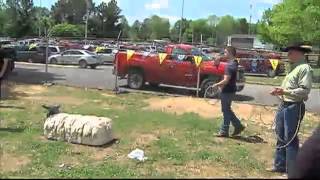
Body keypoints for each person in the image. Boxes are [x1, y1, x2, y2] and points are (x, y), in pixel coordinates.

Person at [268, 43, 313, 175]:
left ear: (299, 53)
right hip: (284, 105)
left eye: (290, 52)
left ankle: (292, 171)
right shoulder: (293, 68)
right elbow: (289, 89)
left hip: (294, 106)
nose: (288, 55)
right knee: (280, 135)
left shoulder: (305, 68)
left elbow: (304, 91)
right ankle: (279, 165)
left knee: (290, 139)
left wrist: (284, 92)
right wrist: (280, 92)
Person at [213, 46, 245, 137]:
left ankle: (224, 130)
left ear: (230, 53)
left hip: (227, 91)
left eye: (225, 52)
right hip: (230, 90)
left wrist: (217, 85)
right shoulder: (234, 63)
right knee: (227, 109)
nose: (224, 54)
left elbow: (226, 80)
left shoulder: (230, 65)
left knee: (226, 110)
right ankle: (238, 126)